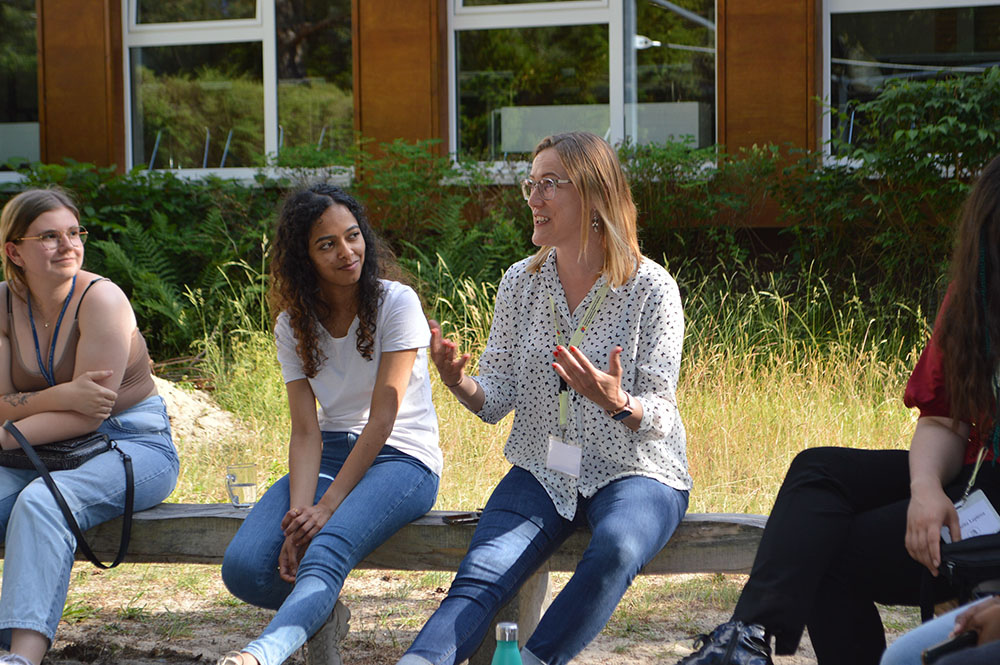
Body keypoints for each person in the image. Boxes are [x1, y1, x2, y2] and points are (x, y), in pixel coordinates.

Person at [676, 154, 1000, 665]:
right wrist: (925, 489)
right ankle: (746, 637)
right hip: (976, 474)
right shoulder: (975, 298)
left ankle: (745, 640)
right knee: (818, 469)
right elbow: (942, 419)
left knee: (823, 551)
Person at [396, 131, 691, 665]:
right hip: (543, 467)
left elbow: (662, 417)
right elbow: (496, 398)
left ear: (594, 196)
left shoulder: (652, 288)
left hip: (635, 472)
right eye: (530, 184)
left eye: (549, 184)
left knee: (617, 548)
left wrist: (617, 401)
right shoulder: (519, 283)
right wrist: (459, 381)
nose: (533, 198)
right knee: (482, 571)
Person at [217, 184, 442, 665]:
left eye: (353, 236)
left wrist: (328, 507)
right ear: (305, 258)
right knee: (243, 568)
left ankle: (259, 656)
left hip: (403, 458)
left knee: (326, 551)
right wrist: (301, 516)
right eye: (328, 244)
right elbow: (305, 431)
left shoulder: (395, 303)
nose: (347, 252)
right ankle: (321, 611)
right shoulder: (291, 325)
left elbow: (385, 415)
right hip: (332, 453)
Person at [0, 188, 179, 665]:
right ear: (13, 251)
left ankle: (20, 657)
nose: (67, 245)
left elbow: (90, 413)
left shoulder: (103, 300)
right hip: (43, 445)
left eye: (73, 233)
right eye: (49, 237)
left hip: (132, 444)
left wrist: (7, 431)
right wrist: (59, 395)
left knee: (44, 501)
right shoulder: (1, 305)